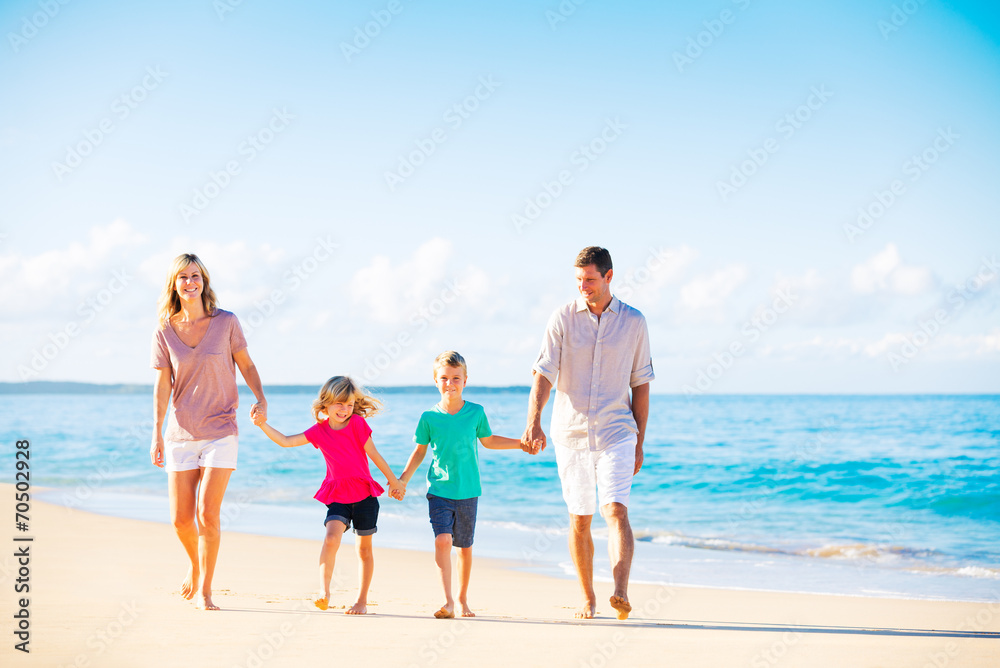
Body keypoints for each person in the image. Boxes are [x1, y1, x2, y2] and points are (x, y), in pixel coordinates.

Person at [523, 246, 654, 620]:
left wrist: (640, 442)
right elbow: (544, 373)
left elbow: (641, 384)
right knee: (580, 518)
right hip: (571, 433)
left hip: (617, 431)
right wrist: (533, 420)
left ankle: (620, 592)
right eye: (579, 280)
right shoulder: (562, 318)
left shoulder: (634, 322)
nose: (584, 286)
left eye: (590, 280)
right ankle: (588, 598)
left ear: (609, 277)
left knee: (615, 510)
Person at [150, 253, 268, 610]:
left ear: (204, 281)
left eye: (196, 275)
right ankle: (195, 563)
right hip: (180, 432)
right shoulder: (165, 331)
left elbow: (245, 364)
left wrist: (261, 399)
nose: (190, 282)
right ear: (174, 284)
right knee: (180, 520)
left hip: (221, 429)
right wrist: (156, 433)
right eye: (183, 276)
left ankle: (205, 590)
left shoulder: (227, 322)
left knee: (207, 514)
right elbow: (161, 385)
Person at [254, 376, 404, 614]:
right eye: (339, 404)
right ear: (326, 404)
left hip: (365, 496)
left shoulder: (357, 425)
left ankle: (361, 601)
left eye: (349, 405)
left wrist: (395, 482)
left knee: (364, 550)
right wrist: (262, 424)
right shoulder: (320, 431)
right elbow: (286, 441)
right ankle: (324, 592)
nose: (344, 410)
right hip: (338, 496)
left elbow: (375, 455)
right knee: (331, 538)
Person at [398, 351, 529, 618]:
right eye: (444, 378)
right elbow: (420, 451)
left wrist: (520, 443)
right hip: (439, 491)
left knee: (465, 547)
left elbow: (489, 441)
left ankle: (462, 599)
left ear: (465, 381)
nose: (450, 384)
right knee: (443, 540)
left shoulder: (476, 412)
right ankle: (447, 601)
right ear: (435, 381)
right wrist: (402, 479)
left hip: (469, 491)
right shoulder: (428, 417)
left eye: (456, 378)